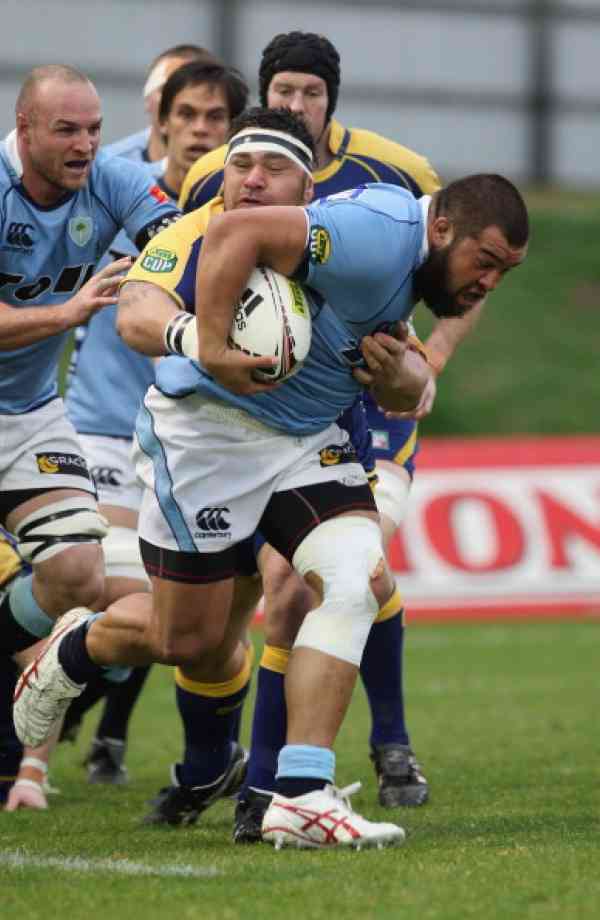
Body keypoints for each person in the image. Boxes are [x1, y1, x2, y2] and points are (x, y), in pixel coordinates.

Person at [13, 112, 528, 846]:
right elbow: (140, 312)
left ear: (307, 188)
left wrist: (403, 378)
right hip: (207, 440)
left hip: (304, 442)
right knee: (187, 641)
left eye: (274, 169)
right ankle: (77, 646)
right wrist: (208, 345)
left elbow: (405, 376)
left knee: (354, 577)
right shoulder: (257, 231)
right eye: (241, 165)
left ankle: (302, 793)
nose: (253, 182)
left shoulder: (367, 243)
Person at [180, 31, 480, 823]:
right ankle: (235, 772)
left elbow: (460, 276)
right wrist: (206, 350)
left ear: (331, 101)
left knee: (336, 574)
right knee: (218, 614)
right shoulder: (222, 173)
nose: (297, 104)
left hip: (361, 413)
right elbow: (193, 268)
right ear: (266, 93)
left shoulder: (397, 172)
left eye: (311, 93)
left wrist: (425, 364)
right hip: (249, 409)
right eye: (284, 91)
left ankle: (363, 753)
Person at [61, 58, 248, 787]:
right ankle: (45, 726)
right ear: (159, 119)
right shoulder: (110, 185)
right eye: (187, 114)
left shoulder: (248, 216)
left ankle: (101, 716)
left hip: (190, 437)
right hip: (103, 425)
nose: (200, 130)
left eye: (215, 118)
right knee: (100, 589)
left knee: (175, 610)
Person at [0, 64, 179, 806]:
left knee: (77, 573)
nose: (85, 145)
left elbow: (180, 240)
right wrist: (67, 313)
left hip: (29, 413)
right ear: (24, 129)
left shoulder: (111, 181)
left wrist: (171, 279)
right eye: (67, 130)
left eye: (95, 129)